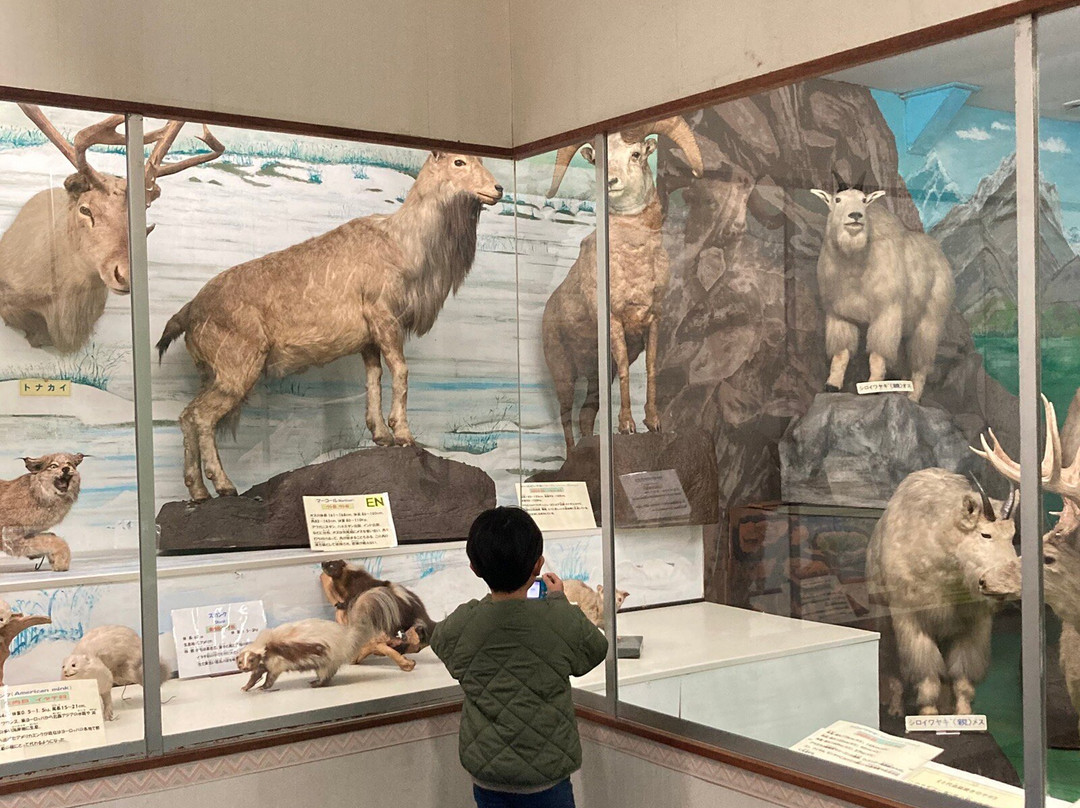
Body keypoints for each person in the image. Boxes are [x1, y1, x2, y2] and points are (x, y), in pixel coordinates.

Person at [431, 506, 609, 808]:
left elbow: (441, 643)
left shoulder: (464, 622)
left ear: (474, 567)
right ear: (538, 565)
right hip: (547, 776)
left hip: (489, 775)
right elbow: (594, 650)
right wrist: (558, 601)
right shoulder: (557, 618)